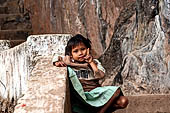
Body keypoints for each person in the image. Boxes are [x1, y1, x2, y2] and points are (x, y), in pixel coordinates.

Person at [53, 34, 128, 113]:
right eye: (76, 51)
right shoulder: (70, 63)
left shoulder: (95, 62)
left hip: (96, 94)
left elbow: (101, 75)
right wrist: (57, 62)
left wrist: (91, 62)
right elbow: (55, 57)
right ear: (71, 55)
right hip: (81, 97)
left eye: (83, 49)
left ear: (88, 49)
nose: (80, 53)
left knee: (122, 99)